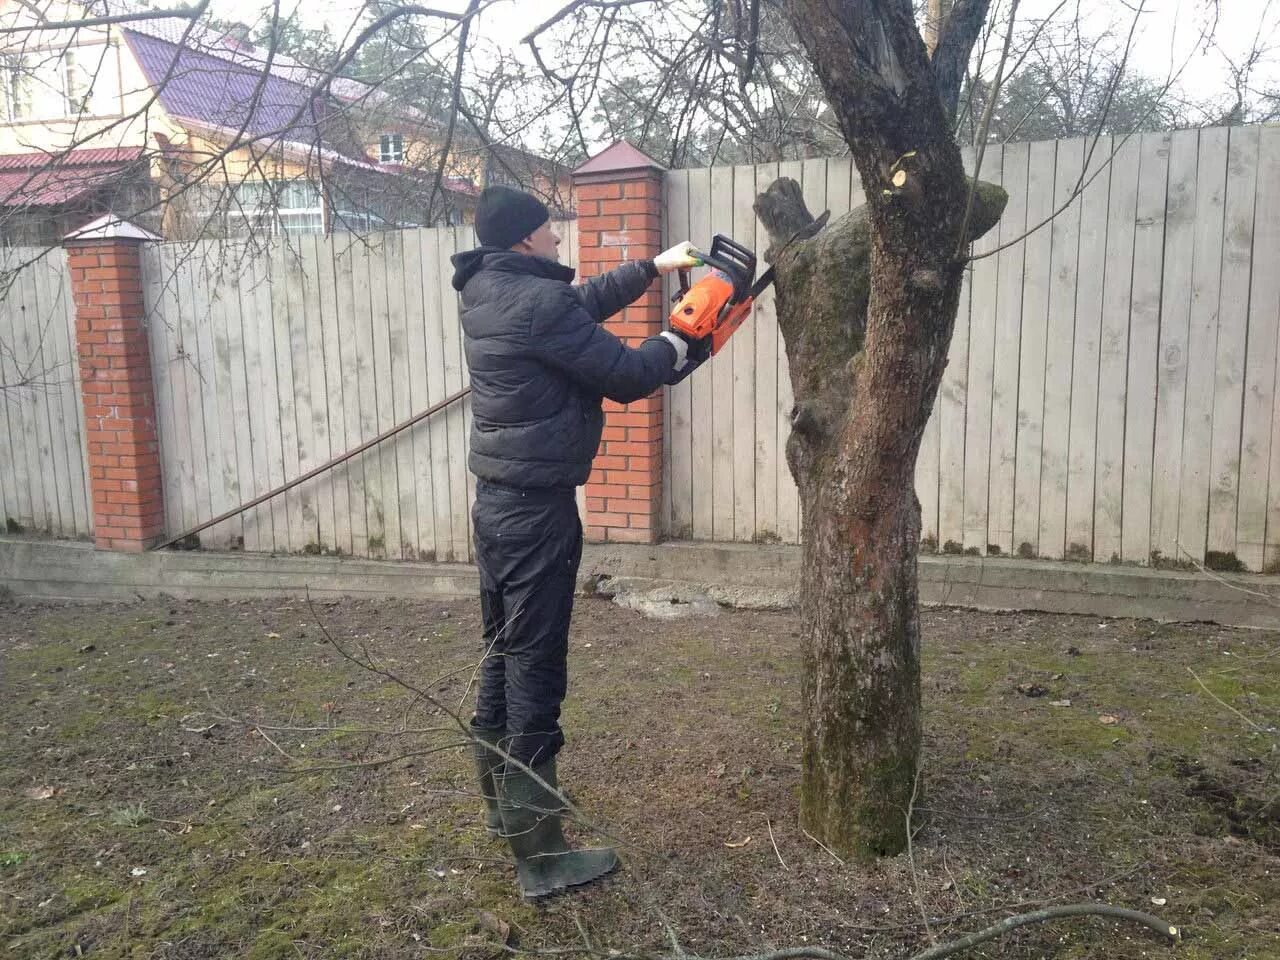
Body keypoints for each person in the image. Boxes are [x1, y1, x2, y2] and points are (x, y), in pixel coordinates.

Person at [450, 185, 707, 899]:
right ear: (528, 239)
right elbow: (626, 376)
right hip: (537, 514)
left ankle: (507, 818)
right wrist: (687, 334)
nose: (560, 241)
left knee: (502, 655)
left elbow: (574, 309)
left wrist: (652, 269)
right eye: (551, 232)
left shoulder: (489, 290)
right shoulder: (535, 303)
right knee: (536, 668)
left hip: (499, 505)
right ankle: (540, 855)